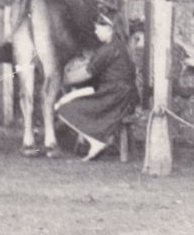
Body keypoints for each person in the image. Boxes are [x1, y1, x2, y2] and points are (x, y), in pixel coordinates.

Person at [55, 12, 139, 161]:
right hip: (126, 96)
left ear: (109, 29)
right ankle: (96, 141)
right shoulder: (119, 46)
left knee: (63, 108)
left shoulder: (107, 50)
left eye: (98, 28)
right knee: (72, 101)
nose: (95, 32)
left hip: (115, 97)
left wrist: (63, 79)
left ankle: (96, 142)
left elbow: (87, 73)